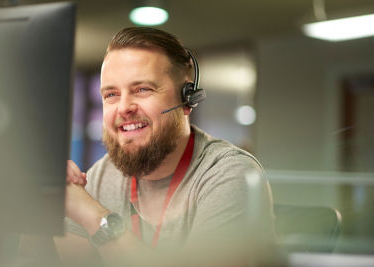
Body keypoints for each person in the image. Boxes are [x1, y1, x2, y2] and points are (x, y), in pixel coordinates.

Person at [54, 27, 276, 266]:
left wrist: (95, 217)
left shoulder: (230, 175)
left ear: (187, 99)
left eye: (142, 89)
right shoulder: (101, 176)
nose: (124, 107)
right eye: (111, 94)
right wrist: (45, 201)